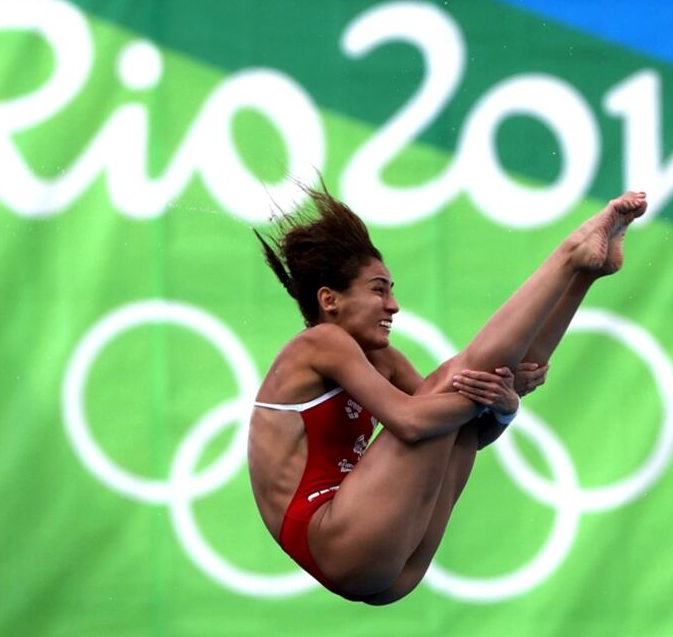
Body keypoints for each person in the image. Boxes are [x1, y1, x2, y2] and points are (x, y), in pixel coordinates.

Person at [248, 184, 647, 604]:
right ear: (329, 300)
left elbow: (465, 435)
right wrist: (490, 397)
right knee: (453, 381)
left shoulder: (381, 360)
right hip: (337, 543)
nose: (394, 305)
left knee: (465, 398)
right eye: (379, 290)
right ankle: (569, 256)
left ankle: (585, 274)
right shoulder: (319, 343)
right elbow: (411, 421)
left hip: (390, 569)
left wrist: (506, 406)